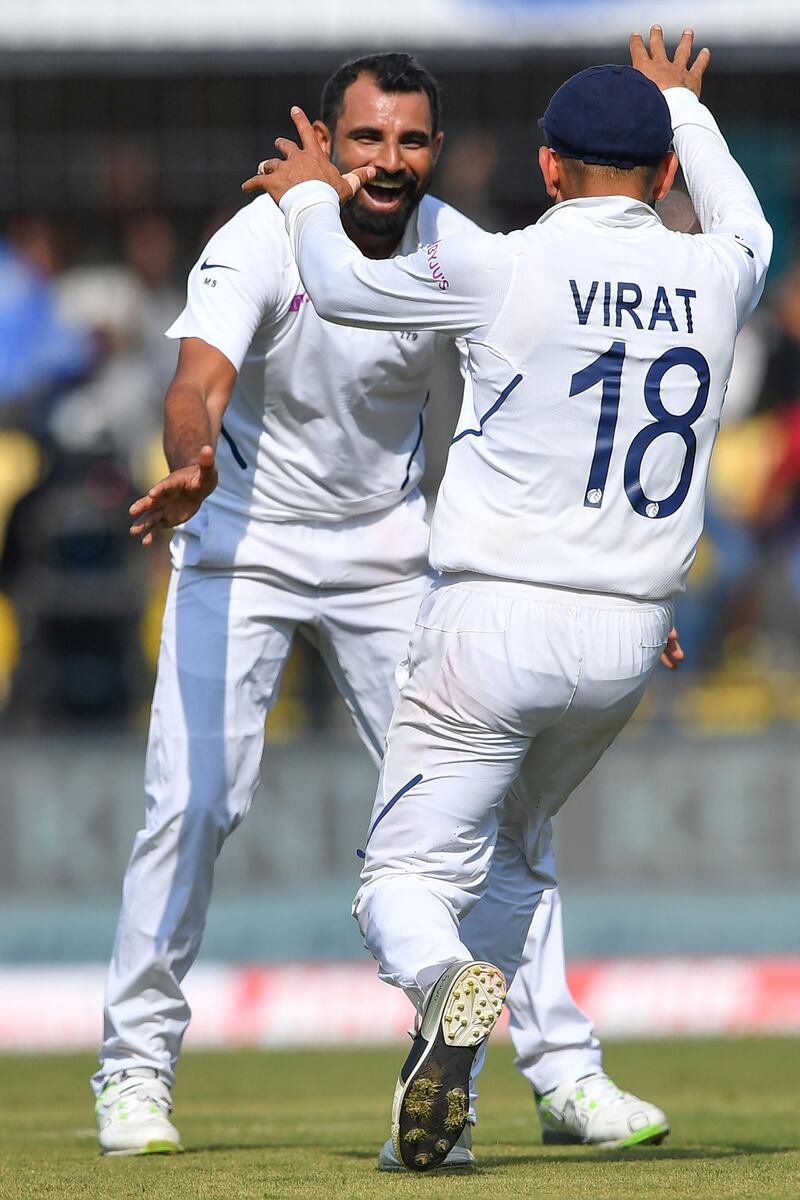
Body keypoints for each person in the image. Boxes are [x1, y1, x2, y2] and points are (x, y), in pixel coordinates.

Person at [95, 53, 670, 1162]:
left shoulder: (460, 249)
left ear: (433, 152)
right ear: (327, 139)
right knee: (193, 806)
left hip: (392, 555)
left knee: (503, 823)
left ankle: (564, 1077)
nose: (386, 163)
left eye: (409, 142)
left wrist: (611, 558)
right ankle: (134, 1075)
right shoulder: (264, 234)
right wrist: (192, 459)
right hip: (242, 548)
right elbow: (194, 382)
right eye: (365, 140)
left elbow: (543, 405)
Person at [247, 26, 772, 1172]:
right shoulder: (722, 271)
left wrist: (301, 197)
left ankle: (441, 989)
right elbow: (747, 219)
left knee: (402, 879)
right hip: (632, 634)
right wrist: (681, 106)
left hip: (493, 621)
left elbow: (338, 285)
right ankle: (439, 1122)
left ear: (547, 169)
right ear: (667, 174)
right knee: (519, 856)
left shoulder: (510, 260)